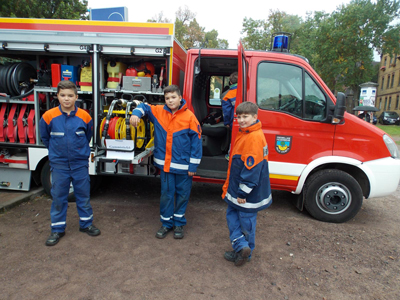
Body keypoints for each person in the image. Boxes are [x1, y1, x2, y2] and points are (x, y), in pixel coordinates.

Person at [130, 85, 202, 239]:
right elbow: (144, 106)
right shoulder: (158, 112)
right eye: (167, 98)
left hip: (183, 166)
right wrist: (136, 113)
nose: (170, 101)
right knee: (166, 195)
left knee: (182, 195)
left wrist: (193, 165)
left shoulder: (190, 117)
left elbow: (196, 143)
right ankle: (166, 224)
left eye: (173, 97)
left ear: (180, 97)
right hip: (166, 166)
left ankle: (179, 224)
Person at [40, 80, 100, 246]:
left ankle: (86, 224)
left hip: (79, 164)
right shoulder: (48, 116)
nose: (66, 99)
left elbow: (88, 135)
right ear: (57, 96)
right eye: (63, 95)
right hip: (59, 165)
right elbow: (45, 138)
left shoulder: (85, 117)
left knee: (83, 195)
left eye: (70, 96)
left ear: (76, 97)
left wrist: (79, 153)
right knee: (59, 197)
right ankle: (57, 229)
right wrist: (56, 152)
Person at [221, 102, 272, 266]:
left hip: (246, 194)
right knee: (233, 217)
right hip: (238, 189)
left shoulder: (253, 137)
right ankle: (241, 247)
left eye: (245, 117)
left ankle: (244, 251)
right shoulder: (246, 133)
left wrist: (243, 193)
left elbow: (252, 170)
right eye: (239, 117)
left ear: (255, 117)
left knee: (245, 222)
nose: (241, 120)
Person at [222, 72, 238, 160]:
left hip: (233, 120)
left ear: (230, 82)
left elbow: (226, 112)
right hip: (245, 119)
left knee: (234, 138)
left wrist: (227, 122)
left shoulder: (227, 95)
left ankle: (230, 155)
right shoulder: (245, 91)